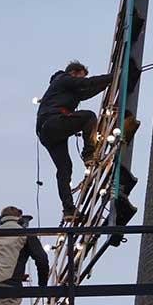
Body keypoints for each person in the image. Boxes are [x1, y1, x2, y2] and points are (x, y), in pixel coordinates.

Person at [35, 60, 112, 221]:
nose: (82, 81)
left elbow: (87, 91)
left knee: (64, 169)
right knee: (88, 117)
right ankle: (88, 153)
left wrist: (106, 84)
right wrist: (113, 76)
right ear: (74, 73)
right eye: (81, 77)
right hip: (53, 121)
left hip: (47, 132)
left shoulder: (67, 90)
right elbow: (87, 84)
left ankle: (68, 209)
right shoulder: (63, 79)